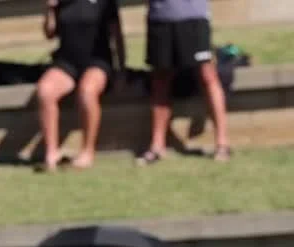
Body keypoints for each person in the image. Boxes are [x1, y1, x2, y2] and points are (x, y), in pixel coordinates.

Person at [36, 0, 125, 172]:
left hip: (97, 61)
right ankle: (51, 154)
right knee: (45, 91)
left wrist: (121, 70)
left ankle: (87, 151)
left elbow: (117, 35)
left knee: (87, 91)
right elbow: (49, 33)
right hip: (67, 61)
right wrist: (49, 9)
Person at [138, 0, 230, 164]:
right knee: (160, 80)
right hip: (159, 18)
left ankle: (222, 143)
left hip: (193, 19)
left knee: (207, 75)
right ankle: (157, 146)